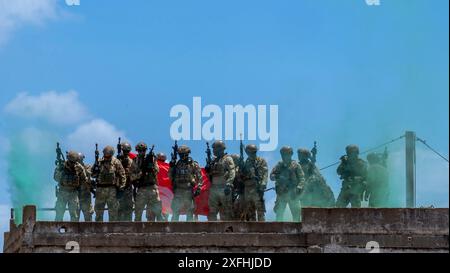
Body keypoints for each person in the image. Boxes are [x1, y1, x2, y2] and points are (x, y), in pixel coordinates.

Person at [270, 146, 305, 222]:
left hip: (293, 193)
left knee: (296, 214)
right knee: (279, 213)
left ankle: (297, 231)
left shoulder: (296, 165)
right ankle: (278, 230)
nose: (284, 156)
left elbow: (302, 178)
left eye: (286, 154)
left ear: (290, 154)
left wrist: (299, 187)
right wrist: (278, 177)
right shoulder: (279, 165)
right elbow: (271, 176)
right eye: (282, 154)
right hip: (281, 193)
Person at [169, 145, 203, 221]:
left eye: (182, 154)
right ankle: (173, 229)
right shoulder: (176, 164)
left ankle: (190, 229)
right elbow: (170, 176)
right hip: (178, 190)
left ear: (187, 154)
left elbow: (200, 177)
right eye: (179, 154)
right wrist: (171, 166)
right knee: (175, 210)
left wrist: (199, 187)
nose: (181, 156)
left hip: (188, 190)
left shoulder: (193, 164)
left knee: (190, 211)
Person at [92, 146, 126, 222]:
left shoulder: (116, 162)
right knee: (98, 211)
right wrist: (95, 168)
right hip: (100, 189)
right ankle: (98, 229)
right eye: (105, 155)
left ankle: (113, 230)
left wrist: (121, 187)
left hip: (112, 190)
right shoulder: (99, 161)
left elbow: (122, 175)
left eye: (108, 156)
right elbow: (93, 175)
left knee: (113, 212)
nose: (106, 157)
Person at [130, 142, 163, 221]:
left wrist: (151, 167)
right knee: (138, 212)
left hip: (152, 187)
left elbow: (157, 170)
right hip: (141, 188)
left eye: (143, 150)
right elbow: (131, 176)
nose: (142, 152)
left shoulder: (151, 158)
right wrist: (141, 173)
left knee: (154, 211)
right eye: (140, 151)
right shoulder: (135, 161)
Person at [205, 140, 235, 221]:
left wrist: (229, 183)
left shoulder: (227, 159)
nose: (213, 151)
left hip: (224, 187)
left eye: (215, 149)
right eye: (213, 149)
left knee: (226, 211)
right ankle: (212, 231)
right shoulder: (213, 161)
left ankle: (228, 231)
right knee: (212, 211)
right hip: (214, 188)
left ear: (220, 149)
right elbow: (210, 175)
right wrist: (208, 169)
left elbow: (232, 171)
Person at [54, 151, 88, 221]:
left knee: (74, 215)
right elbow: (55, 178)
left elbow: (84, 180)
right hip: (62, 192)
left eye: (74, 162)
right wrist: (61, 172)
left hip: (73, 194)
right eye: (71, 162)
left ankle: (74, 231)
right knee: (59, 214)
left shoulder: (79, 167)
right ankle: (56, 231)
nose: (72, 164)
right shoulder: (61, 166)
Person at [240, 144, 268, 221]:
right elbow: (242, 175)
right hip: (248, 187)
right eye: (250, 152)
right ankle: (252, 229)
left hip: (257, 187)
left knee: (260, 209)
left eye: (253, 152)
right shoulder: (246, 162)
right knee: (250, 210)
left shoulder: (261, 161)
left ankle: (262, 228)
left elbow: (265, 173)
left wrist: (263, 184)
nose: (252, 154)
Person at [117, 142, 134, 221]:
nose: (126, 153)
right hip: (118, 187)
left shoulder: (131, 162)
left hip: (128, 187)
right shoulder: (117, 161)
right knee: (119, 208)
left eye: (127, 151)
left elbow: (137, 173)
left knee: (128, 208)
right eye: (124, 151)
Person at [77, 152, 94, 221]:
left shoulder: (87, 167)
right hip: (76, 195)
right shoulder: (73, 168)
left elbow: (89, 176)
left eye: (80, 160)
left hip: (86, 195)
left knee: (88, 217)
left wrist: (82, 169)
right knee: (75, 217)